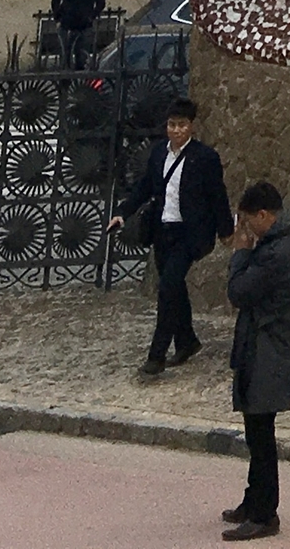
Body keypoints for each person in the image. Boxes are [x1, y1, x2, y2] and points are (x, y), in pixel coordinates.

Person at [112, 94, 234, 378]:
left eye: (182, 125)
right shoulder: (158, 154)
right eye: (172, 124)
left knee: (167, 289)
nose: (177, 130)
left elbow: (218, 196)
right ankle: (187, 340)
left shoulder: (205, 158)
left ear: (191, 126)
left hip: (189, 235)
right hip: (162, 231)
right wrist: (122, 212)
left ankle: (156, 356)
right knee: (174, 288)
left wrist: (225, 230)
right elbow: (143, 188)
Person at [224, 180, 290, 541]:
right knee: (255, 428)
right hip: (267, 342)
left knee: (261, 432)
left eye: (249, 221)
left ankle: (265, 513)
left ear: (265, 215)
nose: (247, 229)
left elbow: (239, 292)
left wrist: (241, 252)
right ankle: (253, 499)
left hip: (267, 346)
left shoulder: (275, 253)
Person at [48, 0, 107, 68]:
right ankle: (64, 81)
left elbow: (101, 2)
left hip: (84, 25)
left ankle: (79, 80)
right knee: (65, 56)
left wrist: (91, 16)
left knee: (82, 55)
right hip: (66, 24)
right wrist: (58, 19)